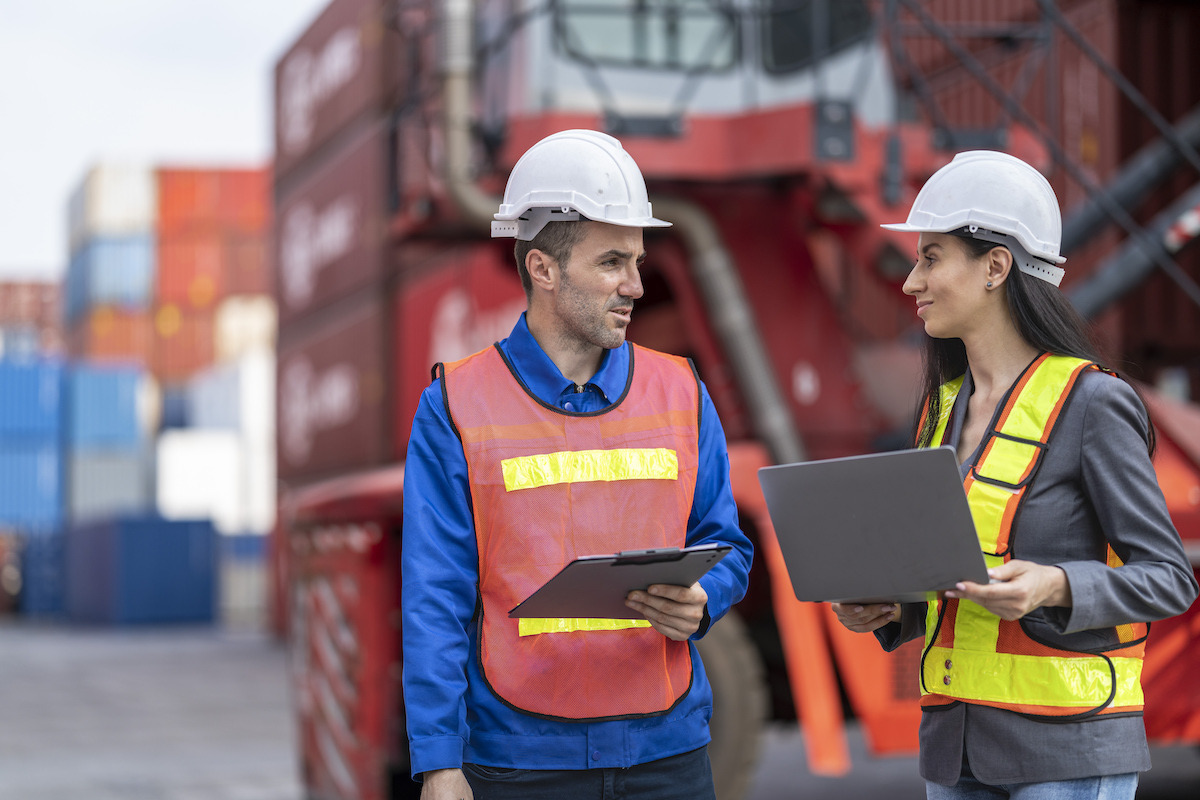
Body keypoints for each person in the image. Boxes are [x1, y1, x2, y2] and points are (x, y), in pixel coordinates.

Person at [832, 150, 1198, 800]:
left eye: (932, 258)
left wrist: (1054, 584)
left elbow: (1169, 579)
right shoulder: (945, 408)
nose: (912, 282)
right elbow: (953, 574)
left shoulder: (1093, 404)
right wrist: (894, 607)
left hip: (1067, 749)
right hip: (957, 749)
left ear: (996, 266)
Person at [401, 129, 754, 800]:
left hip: (666, 753)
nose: (637, 285)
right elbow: (433, 598)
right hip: (520, 759)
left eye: (639, 260)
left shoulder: (681, 390)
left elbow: (725, 543)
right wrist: (440, 762)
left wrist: (705, 598)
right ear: (543, 269)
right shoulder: (456, 404)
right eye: (613, 262)